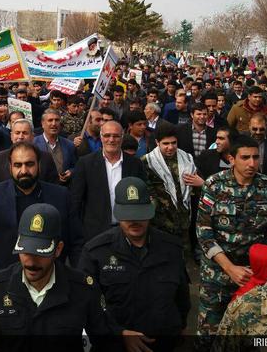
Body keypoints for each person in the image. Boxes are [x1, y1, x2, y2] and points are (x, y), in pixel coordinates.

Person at [0, 203, 115, 350]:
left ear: (58, 250)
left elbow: (106, 343)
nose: (31, 262)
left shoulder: (83, 290)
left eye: (40, 253)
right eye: (26, 251)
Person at [78, 177, 190, 351]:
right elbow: (88, 305)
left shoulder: (171, 248)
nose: (134, 221)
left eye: (140, 215)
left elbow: (182, 297)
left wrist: (180, 327)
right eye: (128, 216)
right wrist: (119, 333)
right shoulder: (96, 252)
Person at [196, 135, 267, 339]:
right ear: (231, 159)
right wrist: (229, 268)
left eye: (255, 157)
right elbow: (204, 231)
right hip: (217, 273)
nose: (252, 163)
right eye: (245, 157)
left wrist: (261, 264)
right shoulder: (214, 185)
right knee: (210, 331)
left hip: (255, 273)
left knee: (249, 331)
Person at [0, 141, 83, 273]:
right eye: (18, 165)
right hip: (5, 276)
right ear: (10, 167)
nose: (24, 171)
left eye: (29, 164)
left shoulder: (61, 196)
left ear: (38, 165)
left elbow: (76, 240)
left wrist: (78, 277)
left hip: (52, 276)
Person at [70, 120, 145, 242]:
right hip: (94, 233)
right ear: (101, 137)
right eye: (107, 135)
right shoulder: (85, 163)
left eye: (116, 136)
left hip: (128, 232)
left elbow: (141, 198)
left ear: (122, 137)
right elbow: (76, 201)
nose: (111, 140)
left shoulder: (135, 164)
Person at [142, 121, 202, 256]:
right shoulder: (147, 162)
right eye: (166, 144)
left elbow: (195, 187)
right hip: (160, 222)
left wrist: (200, 184)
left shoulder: (187, 159)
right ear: (157, 142)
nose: (170, 147)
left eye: (173, 143)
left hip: (184, 220)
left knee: (183, 258)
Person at [0, 118, 59, 185]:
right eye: (17, 133)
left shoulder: (46, 157)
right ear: (11, 136)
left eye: (25, 133)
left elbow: (54, 186)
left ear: (32, 136)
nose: (20, 137)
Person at [34, 108, 77, 185]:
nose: (54, 123)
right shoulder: (33, 144)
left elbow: (75, 166)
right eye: (50, 120)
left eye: (57, 120)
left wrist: (71, 172)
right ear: (42, 124)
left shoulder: (69, 144)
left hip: (64, 189)